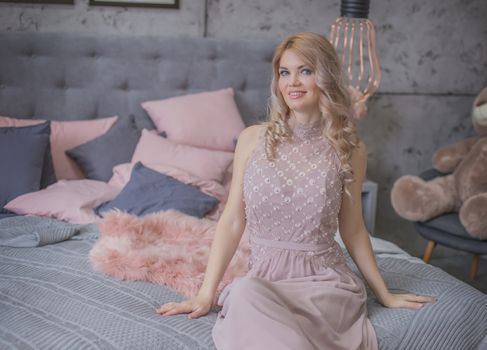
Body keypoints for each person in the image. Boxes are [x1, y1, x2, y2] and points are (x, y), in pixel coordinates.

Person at [156, 32, 435, 349]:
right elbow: (232, 221)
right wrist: (206, 294)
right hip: (265, 279)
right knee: (243, 292)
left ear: (325, 77)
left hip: (324, 284)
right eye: (284, 72)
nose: (293, 82)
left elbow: (354, 229)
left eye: (306, 71)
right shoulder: (251, 139)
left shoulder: (350, 148)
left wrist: (383, 293)